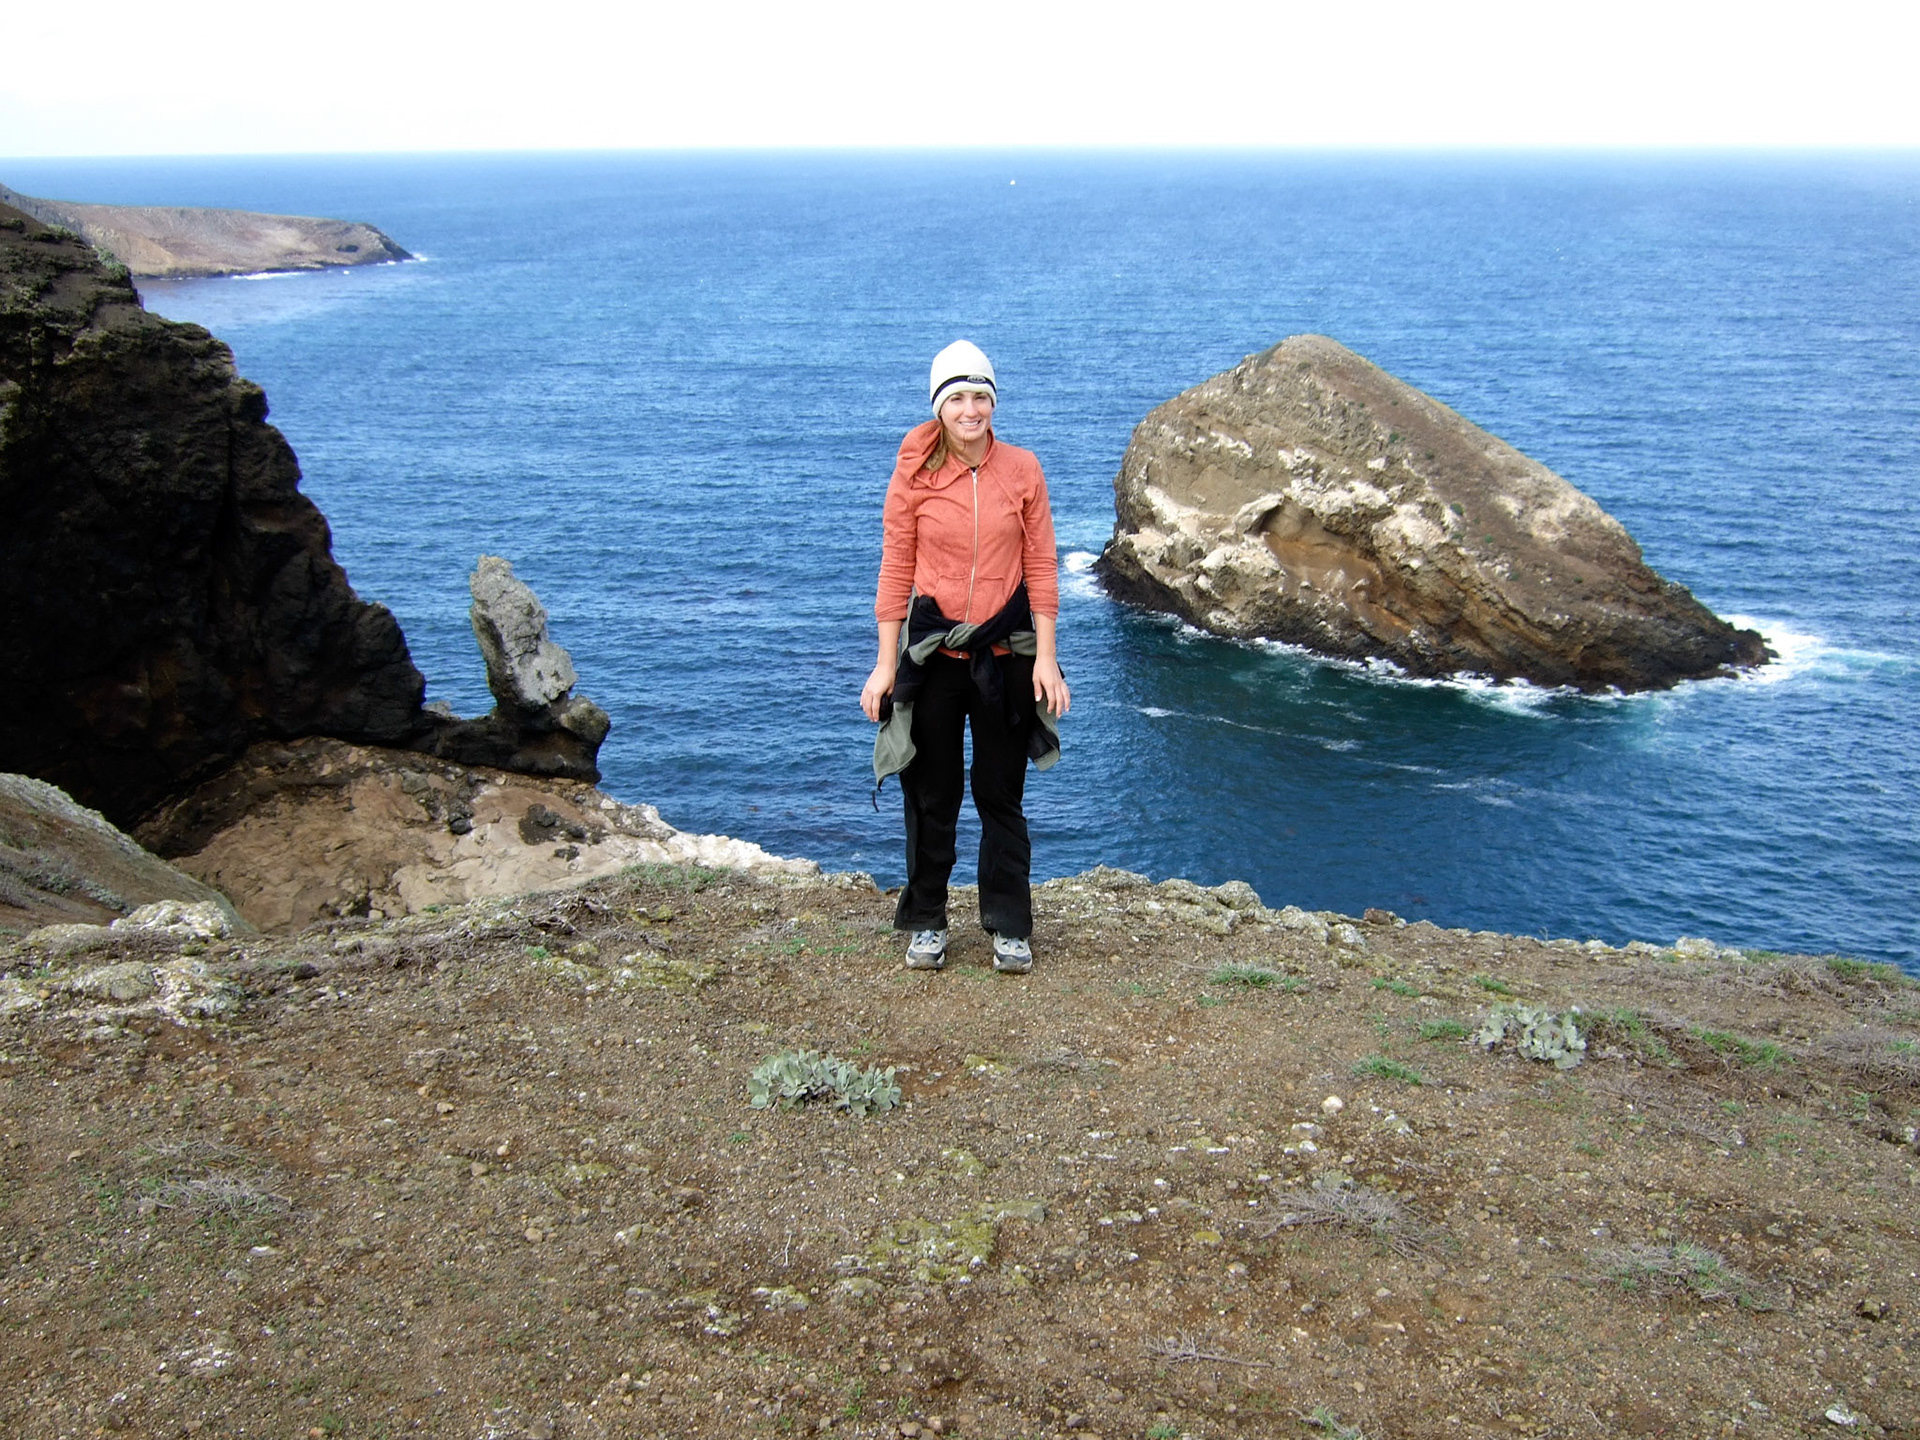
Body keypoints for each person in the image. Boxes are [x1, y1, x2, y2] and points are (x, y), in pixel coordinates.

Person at [861, 340, 1070, 975]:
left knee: (1000, 792)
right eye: (957, 397)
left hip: (1005, 653)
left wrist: (1048, 658)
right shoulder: (914, 472)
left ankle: (1009, 925)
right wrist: (885, 662)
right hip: (933, 653)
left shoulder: (1022, 469)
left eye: (980, 396)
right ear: (939, 405)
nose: (970, 408)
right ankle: (926, 919)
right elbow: (896, 565)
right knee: (932, 792)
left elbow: (1040, 566)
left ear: (993, 403)